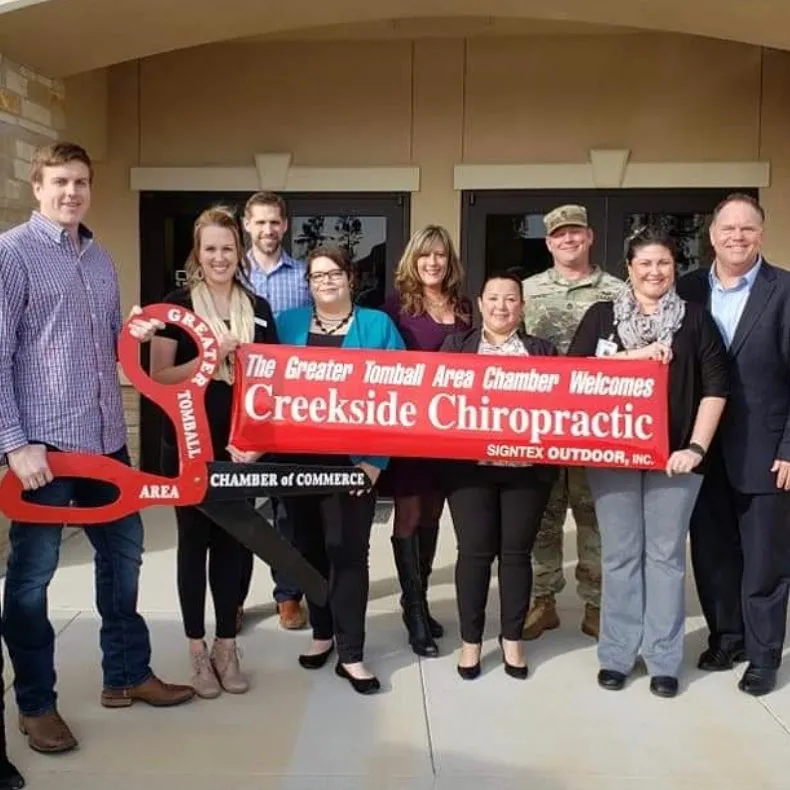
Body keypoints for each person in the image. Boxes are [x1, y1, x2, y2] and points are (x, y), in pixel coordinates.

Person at [0, 141, 194, 755]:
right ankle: (36, 705)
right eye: (60, 181)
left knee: (123, 559)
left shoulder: (100, 256)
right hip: (45, 452)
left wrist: (135, 332)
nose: (71, 192)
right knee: (31, 580)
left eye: (80, 182)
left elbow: (111, 347)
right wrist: (14, 444)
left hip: (106, 442)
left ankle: (127, 674)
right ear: (37, 186)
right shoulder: (11, 254)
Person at [568, 225, 728, 697]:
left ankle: (663, 658)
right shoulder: (601, 317)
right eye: (645, 263)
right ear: (629, 268)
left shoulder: (695, 319)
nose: (654, 271)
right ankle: (617, 654)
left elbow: (716, 387)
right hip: (612, 457)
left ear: (674, 267)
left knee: (665, 557)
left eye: (663, 262)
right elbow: (573, 374)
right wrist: (635, 356)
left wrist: (695, 448)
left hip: (675, 460)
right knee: (619, 556)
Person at [147, 206, 278, 698]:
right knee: (193, 544)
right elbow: (159, 376)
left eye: (227, 248)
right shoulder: (175, 307)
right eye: (210, 249)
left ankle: (227, 645)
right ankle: (197, 651)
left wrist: (257, 446)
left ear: (239, 252)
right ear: (197, 254)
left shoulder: (258, 306)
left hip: (240, 448)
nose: (219, 257)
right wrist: (208, 357)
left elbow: (271, 383)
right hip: (188, 445)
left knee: (232, 545)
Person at [276, 244, 405, 694]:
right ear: (308, 283)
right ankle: (322, 633)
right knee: (309, 550)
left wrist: (376, 460)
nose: (326, 282)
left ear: (351, 278)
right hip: (298, 460)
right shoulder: (287, 323)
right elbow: (265, 383)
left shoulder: (377, 325)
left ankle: (351, 652)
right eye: (317, 275)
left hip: (355, 462)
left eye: (334, 274)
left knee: (348, 554)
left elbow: (400, 395)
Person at [678, 194, 790, 697]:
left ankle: (764, 656)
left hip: (765, 448)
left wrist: (789, 446)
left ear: (761, 235)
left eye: (747, 229)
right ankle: (727, 638)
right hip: (701, 448)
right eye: (728, 228)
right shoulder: (687, 289)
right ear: (712, 235)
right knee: (712, 550)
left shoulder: (784, 290)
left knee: (765, 559)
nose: (737, 237)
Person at [440, 271, 558, 680]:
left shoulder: (542, 350)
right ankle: (471, 641)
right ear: (479, 303)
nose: (501, 306)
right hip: (469, 472)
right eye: (493, 298)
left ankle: (512, 639)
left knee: (515, 555)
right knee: (474, 554)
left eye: (510, 299)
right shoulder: (457, 346)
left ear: (522, 307)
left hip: (526, 472)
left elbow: (560, 403)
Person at [521, 204, 623, 641]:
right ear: (548, 242)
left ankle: (596, 603)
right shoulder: (527, 291)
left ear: (590, 237)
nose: (569, 239)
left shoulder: (618, 291)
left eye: (576, 232)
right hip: (541, 424)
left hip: (594, 425)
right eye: (560, 234)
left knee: (594, 515)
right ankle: (542, 600)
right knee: (542, 515)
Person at [380, 225, 472, 657]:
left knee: (434, 514)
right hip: (412, 428)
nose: (432, 263)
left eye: (440, 255)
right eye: (424, 255)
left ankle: (418, 599)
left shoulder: (465, 306)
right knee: (410, 513)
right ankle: (414, 610)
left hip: (452, 432)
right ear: (412, 261)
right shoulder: (396, 308)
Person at [238, 191, 311, 632]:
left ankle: (288, 595)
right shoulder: (230, 272)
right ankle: (232, 598)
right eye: (259, 222)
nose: (267, 230)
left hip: (287, 405)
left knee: (287, 510)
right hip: (238, 406)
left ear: (285, 226)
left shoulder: (303, 277)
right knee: (238, 508)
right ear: (246, 224)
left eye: (274, 222)